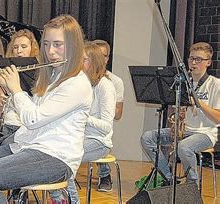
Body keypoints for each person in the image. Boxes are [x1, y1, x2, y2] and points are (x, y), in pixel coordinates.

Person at [0, 14, 93, 203]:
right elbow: (32, 111)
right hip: (26, 145)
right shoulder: (50, 76)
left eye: (58, 44)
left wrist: (17, 88)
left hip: (56, 157)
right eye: (46, 44)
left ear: (73, 46)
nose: (50, 51)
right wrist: (8, 89)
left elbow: (33, 119)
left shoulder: (77, 83)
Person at [140, 42, 220, 186]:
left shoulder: (215, 84)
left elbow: (218, 117)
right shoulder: (183, 82)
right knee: (147, 138)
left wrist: (197, 102)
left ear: (208, 62)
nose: (193, 62)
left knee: (183, 147)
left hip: (205, 133)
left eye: (199, 59)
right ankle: (169, 178)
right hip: (184, 130)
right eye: (191, 59)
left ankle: (192, 184)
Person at [51, 41, 116, 203]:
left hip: (99, 142)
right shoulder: (79, 84)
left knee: (64, 161)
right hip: (79, 138)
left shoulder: (105, 86)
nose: (79, 63)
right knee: (51, 154)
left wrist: (83, 115)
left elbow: (106, 127)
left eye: (84, 59)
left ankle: (72, 201)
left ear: (94, 62)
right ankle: (59, 198)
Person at [0, 29, 41, 153]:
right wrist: (1, 96)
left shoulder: (39, 74)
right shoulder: (7, 72)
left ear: (32, 48)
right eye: (15, 47)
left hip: (23, 125)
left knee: (5, 147)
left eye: (24, 46)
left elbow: (36, 111)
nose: (19, 51)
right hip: (5, 123)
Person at [92, 39, 125, 191]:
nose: (99, 60)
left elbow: (117, 115)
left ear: (107, 59)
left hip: (100, 126)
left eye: (103, 56)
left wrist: (104, 103)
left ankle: (104, 174)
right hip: (86, 123)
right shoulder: (81, 78)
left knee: (100, 132)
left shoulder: (114, 82)